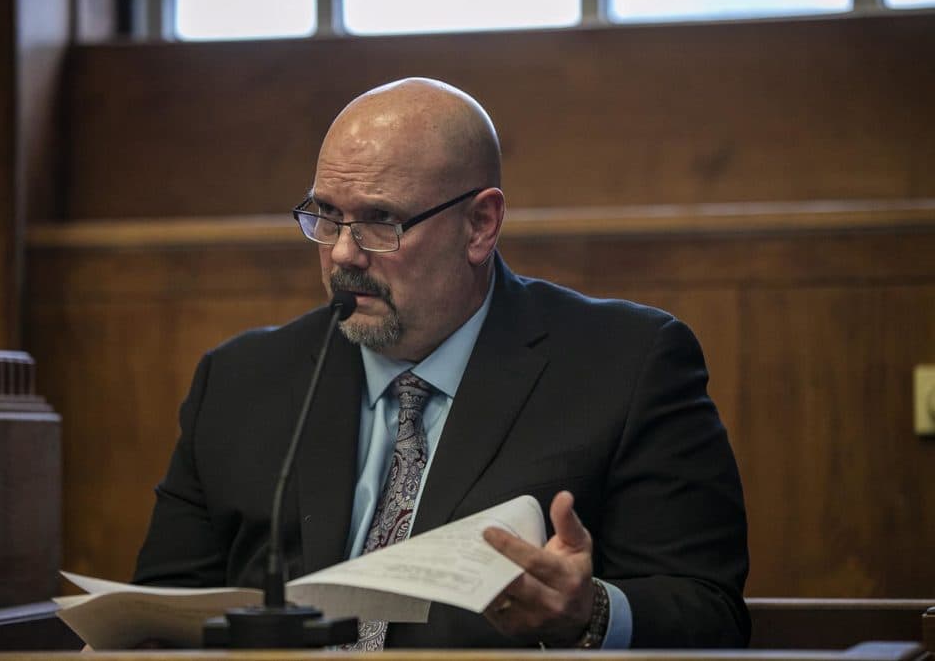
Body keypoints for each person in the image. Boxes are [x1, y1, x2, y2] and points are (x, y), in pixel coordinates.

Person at [134, 77, 749, 649]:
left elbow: (709, 611)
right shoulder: (243, 380)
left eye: (381, 220)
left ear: (480, 224)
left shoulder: (626, 364)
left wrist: (587, 612)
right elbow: (159, 610)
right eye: (325, 215)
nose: (344, 254)